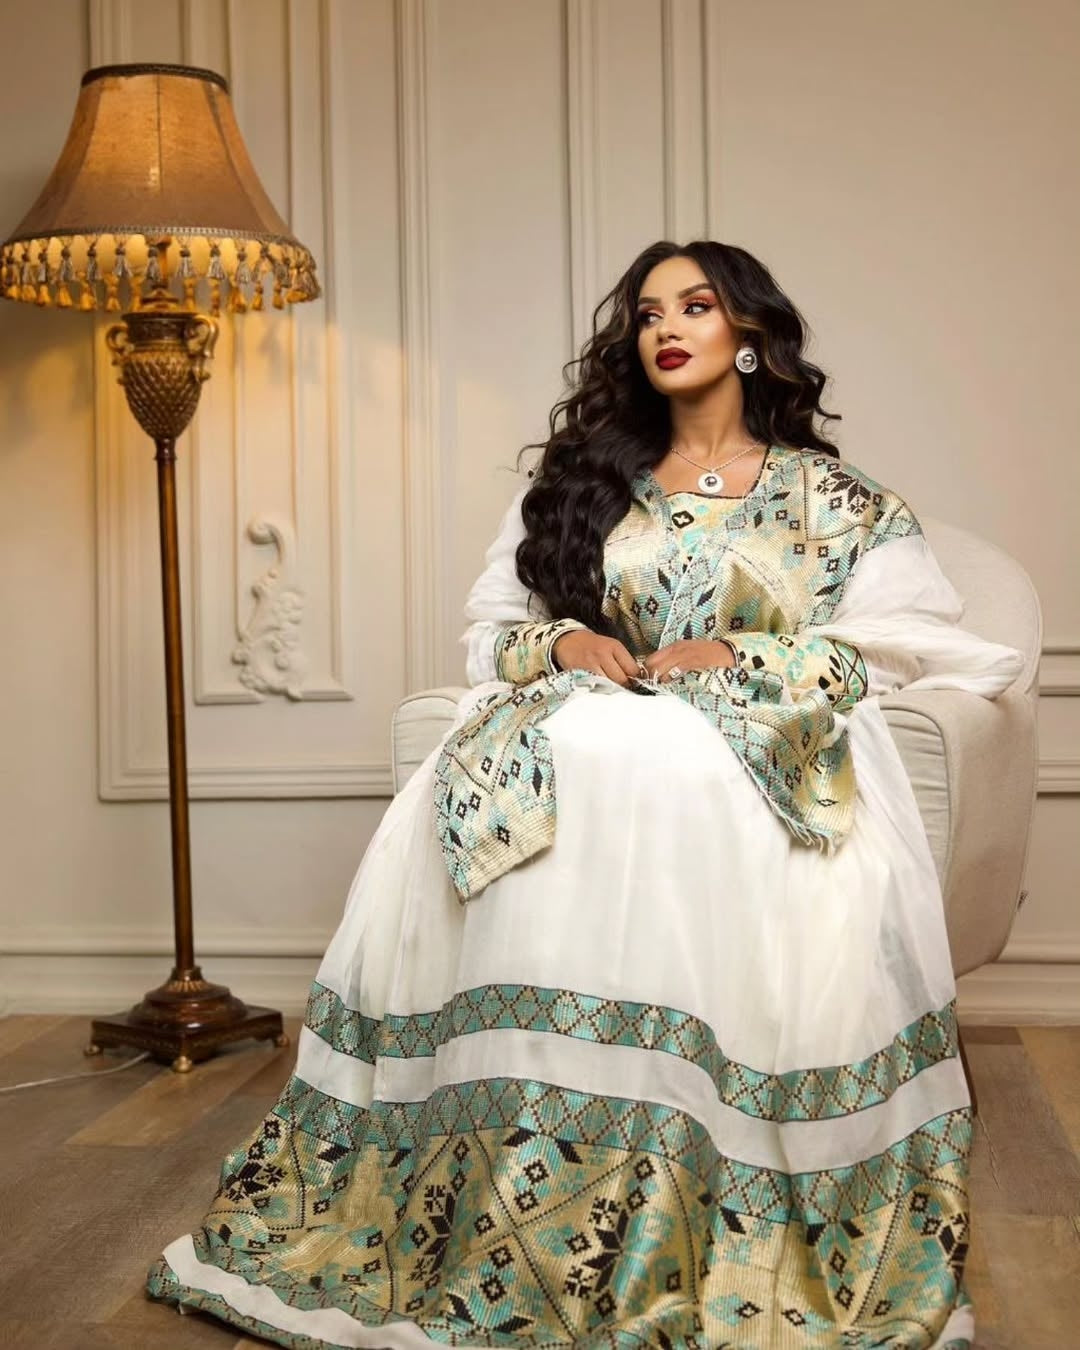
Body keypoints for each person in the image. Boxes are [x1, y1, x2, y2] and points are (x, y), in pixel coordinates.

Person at [148, 240, 1022, 1349]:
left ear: (749, 336)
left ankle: (693, 1183)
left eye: (697, 306)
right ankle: (509, 1175)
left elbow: (913, 648)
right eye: (651, 310)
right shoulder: (584, 489)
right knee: (573, 755)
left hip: (740, 734)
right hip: (596, 720)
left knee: (665, 764)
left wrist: (739, 659)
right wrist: (563, 641)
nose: (669, 326)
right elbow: (489, 630)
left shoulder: (835, 502)